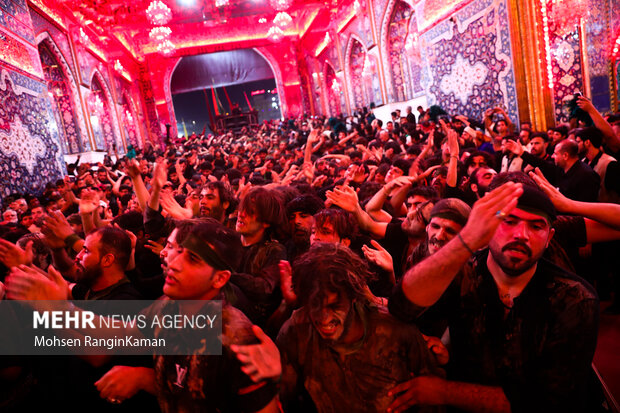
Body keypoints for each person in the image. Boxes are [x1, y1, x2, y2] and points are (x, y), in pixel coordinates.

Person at [6, 220, 280, 413]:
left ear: (220, 278)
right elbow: (117, 334)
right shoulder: (168, 307)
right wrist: (58, 309)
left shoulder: (235, 340)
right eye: (179, 252)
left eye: (193, 260)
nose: (174, 263)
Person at [389, 181, 599, 411]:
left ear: (549, 238)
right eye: (509, 222)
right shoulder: (462, 276)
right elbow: (401, 307)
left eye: (536, 226)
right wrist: (466, 240)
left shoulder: (574, 298)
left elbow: (550, 402)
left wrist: (443, 391)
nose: (521, 235)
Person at [276, 243, 444, 412]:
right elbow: (284, 399)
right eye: (314, 305)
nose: (323, 317)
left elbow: (433, 401)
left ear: (353, 296)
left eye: (334, 305)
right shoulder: (296, 331)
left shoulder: (397, 332)